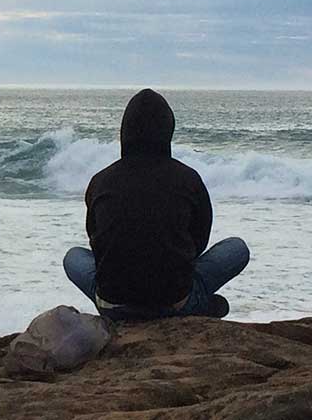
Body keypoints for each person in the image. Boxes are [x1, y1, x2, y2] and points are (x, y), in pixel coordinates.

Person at [63, 88, 249, 322]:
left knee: (73, 257)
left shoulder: (101, 180)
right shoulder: (188, 178)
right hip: (174, 299)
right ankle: (195, 304)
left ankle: (126, 307)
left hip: (113, 303)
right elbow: (199, 242)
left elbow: (96, 240)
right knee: (237, 248)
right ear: (167, 131)